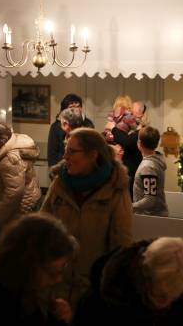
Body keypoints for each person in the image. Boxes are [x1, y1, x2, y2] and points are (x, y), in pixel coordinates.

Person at [41, 128, 133, 307]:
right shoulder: (60, 184)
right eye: (65, 150)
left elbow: (121, 245)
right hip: (56, 288)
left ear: (93, 155)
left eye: (72, 151)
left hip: (92, 292)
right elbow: (41, 230)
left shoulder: (115, 189)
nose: (65, 157)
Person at [0, 214, 78, 326]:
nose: (58, 279)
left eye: (61, 270)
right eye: (52, 273)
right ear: (28, 263)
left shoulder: (25, 295)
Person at [75, 237, 183, 326]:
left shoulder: (178, 278)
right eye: (160, 296)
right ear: (145, 272)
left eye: (173, 297)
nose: (166, 302)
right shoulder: (108, 294)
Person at [0, 122, 42, 230]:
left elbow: (14, 193)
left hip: (18, 210)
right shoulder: (2, 151)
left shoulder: (9, 159)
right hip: (15, 208)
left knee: (16, 242)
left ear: (2, 140)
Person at [105, 96, 143, 191]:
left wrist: (112, 129)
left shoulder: (139, 132)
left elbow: (126, 141)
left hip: (126, 172)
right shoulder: (129, 119)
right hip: (119, 172)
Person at [48, 94, 94, 167]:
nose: (76, 109)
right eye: (71, 107)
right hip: (62, 168)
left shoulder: (88, 124)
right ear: (64, 110)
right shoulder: (56, 126)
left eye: (78, 106)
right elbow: (52, 154)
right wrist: (54, 171)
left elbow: (92, 149)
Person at [133, 126, 169, 216]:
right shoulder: (153, 161)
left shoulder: (148, 167)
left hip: (151, 217)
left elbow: (149, 199)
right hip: (153, 216)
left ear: (139, 143)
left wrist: (130, 207)